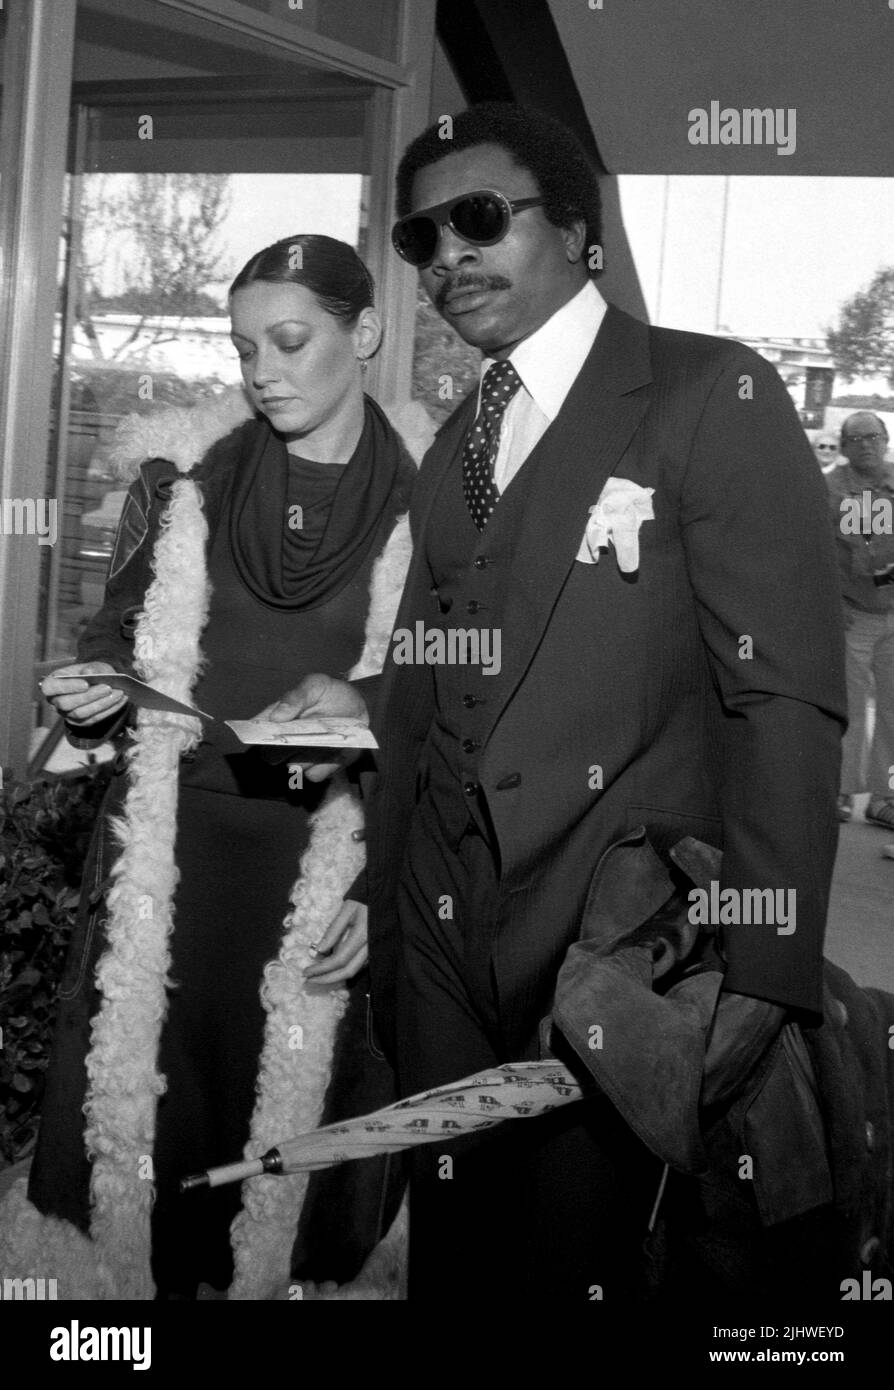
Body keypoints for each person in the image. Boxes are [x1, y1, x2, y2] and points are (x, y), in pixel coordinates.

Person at [266, 103, 846, 1302]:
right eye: (422, 238)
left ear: (578, 228)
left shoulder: (706, 393)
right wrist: (378, 868)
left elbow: (781, 692)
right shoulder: (461, 437)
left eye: (480, 219)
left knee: (576, 1269)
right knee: (460, 1257)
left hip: (617, 953)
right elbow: (450, 671)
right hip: (440, 940)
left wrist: (769, 960)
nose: (447, 260)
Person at [3, 235, 414, 1299]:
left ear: (363, 333)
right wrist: (94, 688)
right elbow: (115, 634)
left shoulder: (437, 515)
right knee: (147, 1138)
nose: (262, 371)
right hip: (172, 870)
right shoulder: (187, 479)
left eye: (290, 341)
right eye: (244, 348)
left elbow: (466, 715)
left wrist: (382, 880)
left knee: (285, 1158)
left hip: (316, 872)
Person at [826, 411, 894, 834]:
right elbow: (810, 547)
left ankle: (886, 799)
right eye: (857, 438)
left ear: (886, 440)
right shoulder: (829, 489)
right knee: (847, 709)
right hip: (851, 614)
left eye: (874, 436)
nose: (867, 443)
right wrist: (831, 597)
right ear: (845, 446)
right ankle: (840, 792)